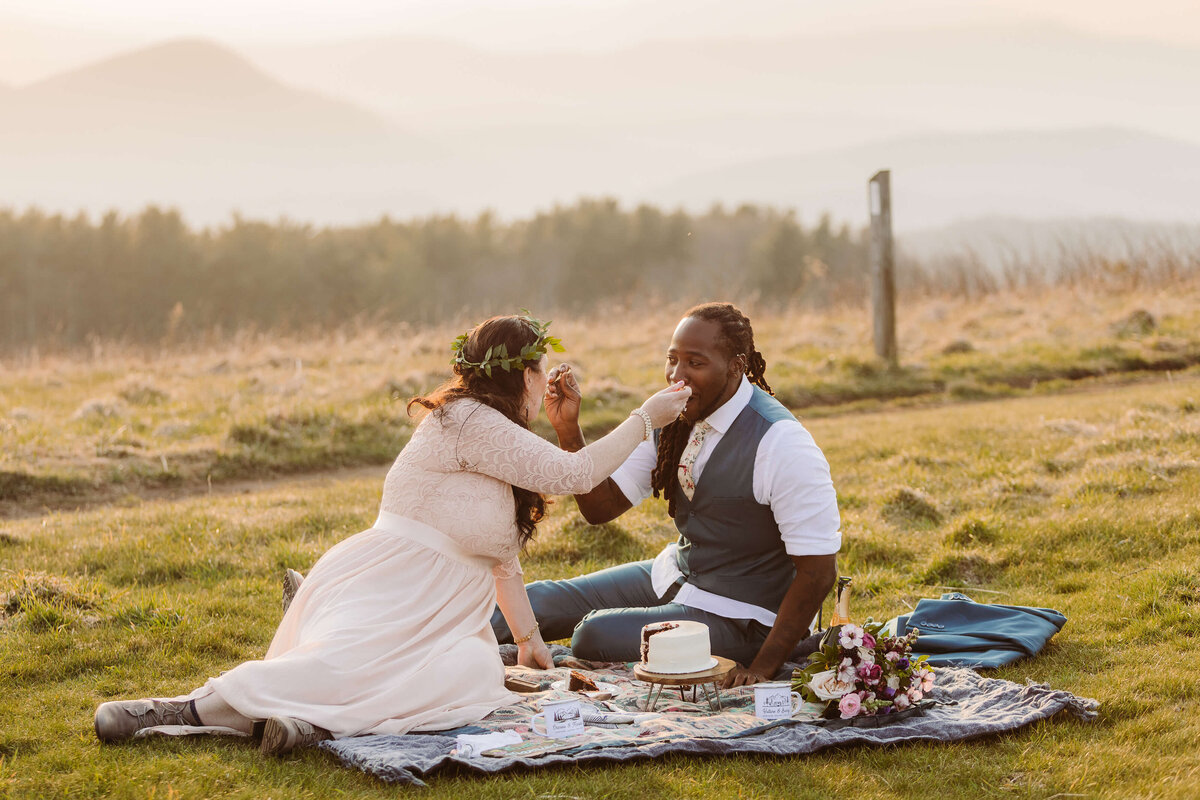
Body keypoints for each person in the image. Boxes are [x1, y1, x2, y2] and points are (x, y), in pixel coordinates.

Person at [93, 313, 690, 755]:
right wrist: (645, 418)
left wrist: (530, 641)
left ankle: (308, 728)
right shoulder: (468, 420)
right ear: (522, 375)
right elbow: (574, 474)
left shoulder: (496, 435)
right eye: (539, 373)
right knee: (345, 669)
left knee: (473, 674)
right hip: (395, 587)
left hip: (442, 611)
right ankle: (181, 707)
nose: (545, 387)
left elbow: (501, 559)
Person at [491, 302, 840, 688]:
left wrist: (763, 666)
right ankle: (428, 647)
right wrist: (569, 431)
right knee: (535, 601)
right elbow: (601, 507)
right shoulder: (672, 419)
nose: (678, 375)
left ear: (737, 366)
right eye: (672, 360)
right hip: (675, 574)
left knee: (594, 635)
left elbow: (819, 572)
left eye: (695, 363)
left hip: (744, 616)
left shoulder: (782, 442)